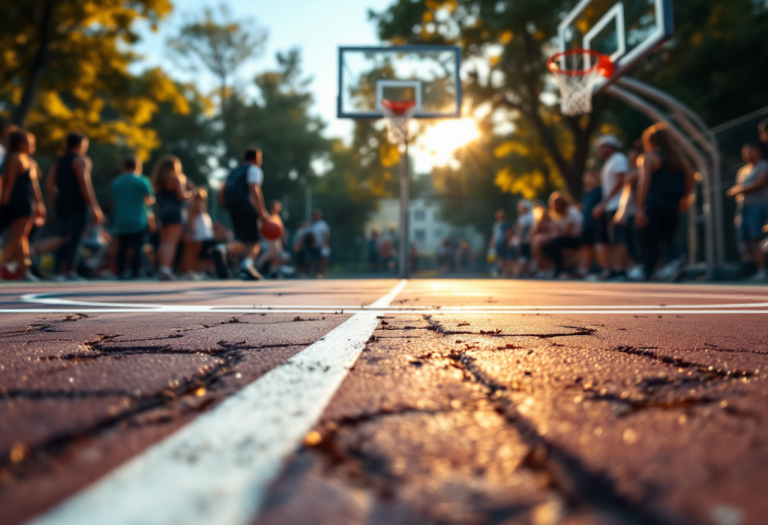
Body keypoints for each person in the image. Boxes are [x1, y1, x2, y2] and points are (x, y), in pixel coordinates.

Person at [636, 123, 694, 280]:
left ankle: (650, 271)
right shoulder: (677, 157)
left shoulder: (648, 157)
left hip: (654, 203)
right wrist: (686, 197)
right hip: (672, 203)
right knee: (668, 236)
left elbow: (644, 183)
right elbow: (690, 175)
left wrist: (640, 208)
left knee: (650, 239)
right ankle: (676, 261)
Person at [47, 132, 104, 281]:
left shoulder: (58, 161)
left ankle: (58, 270)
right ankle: (70, 271)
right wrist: (95, 207)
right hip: (78, 204)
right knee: (75, 238)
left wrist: (53, 203)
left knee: (62, 237)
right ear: (80, 144)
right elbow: (84, 184)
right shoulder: (81, 160)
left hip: (62, 203)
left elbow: (49, 185)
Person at [216, 147, 271, 280]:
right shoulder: (253, 169)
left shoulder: (234, 171)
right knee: (254, 240)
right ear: (255, 158)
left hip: (233, 207)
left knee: (241, 240)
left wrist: (225, 204)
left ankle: (222, 249)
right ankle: (247, 266)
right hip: (247, 206)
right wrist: (261, 211)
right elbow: (254, 190)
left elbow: (222, 189)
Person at [0, 130, 45, 281]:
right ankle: (3, 263)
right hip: (17, 201)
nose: (32, 145)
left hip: (25, 201)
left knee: (22, 237)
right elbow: (9, 182)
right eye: (28, 142)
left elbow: (34, 186)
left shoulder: (29, 161)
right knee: (17, 236)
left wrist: (39, 204)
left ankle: (24, 270)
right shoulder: (15, 158)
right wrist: (4, 201)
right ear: (19, 143)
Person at [727, 143, 768, 280]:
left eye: (751, 151)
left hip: (759, 206)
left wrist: (738, 190)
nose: (747, 154)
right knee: (745, 240)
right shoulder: (743, 170)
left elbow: (759, 184)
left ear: (758, 151)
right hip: (744, 208)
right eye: (745, 152)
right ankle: (751, 270)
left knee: (757, 238)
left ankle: (762, 269)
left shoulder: (764, 166)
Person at [592, 134, 629, 280]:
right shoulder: (610, 162)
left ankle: (621, 269)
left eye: (601, 147)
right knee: (610, 239)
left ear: (608, 146)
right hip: (610, 206)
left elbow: (621, 181)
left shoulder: (618, 159)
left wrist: (604, 202)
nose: (600, 150)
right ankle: (613, 269)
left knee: (619, 238)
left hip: (618, 205)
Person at [111, 157, 154, 279]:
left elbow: (114, 201)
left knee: (122, 248)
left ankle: (120, 272)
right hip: (138, 219)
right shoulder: (142, 181)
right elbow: (149, 200)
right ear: (137, 166)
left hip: (121, 219)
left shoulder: (116, 182)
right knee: (138, 247)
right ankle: (135, 272)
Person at [151, 154, 191, 281]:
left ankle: (162, 268)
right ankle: (166, 270)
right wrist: (192, 193)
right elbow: (181, 196)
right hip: (175, 211)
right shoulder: (177, 177)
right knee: (171, 243)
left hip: (163, 211)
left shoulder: (158, 179)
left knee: (164, 243)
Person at [540, 192, 583, 278]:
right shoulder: (558, 215)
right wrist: (545, 237)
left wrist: (551, 237)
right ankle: (559, 267)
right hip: (565, 238)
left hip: (577, 238)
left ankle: (562, 268)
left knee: (553, 243)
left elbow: (566, 232)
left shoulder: (571, 212)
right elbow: (556, 230)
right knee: (544, 245)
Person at [579, 170, 602, 277]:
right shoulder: (586, 193)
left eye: (592, 176)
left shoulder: (600, 191)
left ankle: (598, 269)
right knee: (586, 246)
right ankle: (586, 269)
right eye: (587, 177)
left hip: (597, 223)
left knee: (597, 246)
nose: (589, 179)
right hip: (586, 223)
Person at [256, 200, 285, 277]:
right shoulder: (267, 216)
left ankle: (273, 271)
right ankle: (258, 264)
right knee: (271, 254)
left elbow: (281, 230)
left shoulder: (277, 217)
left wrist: (282, 240)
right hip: (269, 239)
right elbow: (262, 227)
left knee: (275, 256)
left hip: (276, 239)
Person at [514, 200, 534, 277]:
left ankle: (527, 271)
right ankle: (522, 271)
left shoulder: (530, 215)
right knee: (521, 255)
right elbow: (519, 228)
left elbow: (531, 228)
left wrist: (528, 237)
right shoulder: (521, 217)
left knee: (526, 255)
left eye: (523, 207)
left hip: (527, 238)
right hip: (522, 238)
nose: (522, 209)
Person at [310, 209, 330, 277]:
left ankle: (323, 273)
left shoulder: (323, 224)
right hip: (314, 246)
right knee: (315, 260)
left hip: (322, 245)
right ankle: (315, 273)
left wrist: (325, 243)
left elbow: (326, 234)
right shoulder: (312, 225)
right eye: (315, 215)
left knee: (323, 259)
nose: (316, 216)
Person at [489, 209, 507, 274]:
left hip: (502, 242)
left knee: (502, 257)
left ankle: (504, 271)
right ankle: (499, 270)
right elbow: (494, 234)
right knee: (496, 257)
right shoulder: (496, 224)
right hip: (496, 243)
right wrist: (492, 242)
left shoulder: (505, 224)